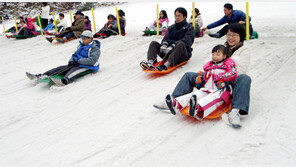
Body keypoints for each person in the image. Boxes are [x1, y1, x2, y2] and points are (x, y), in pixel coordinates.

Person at [154, 23, 250, 128]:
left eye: (234, 35)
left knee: (244, 78)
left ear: (241, 36)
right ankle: (174, 101)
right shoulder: (223, 47)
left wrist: (220, 76)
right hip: (211, 80)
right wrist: (205, 74)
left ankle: (235, 111)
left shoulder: (244, 50)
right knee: (189, 75)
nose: (230, 38)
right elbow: (210, 64)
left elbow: (240, 71)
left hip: (227, 83)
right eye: (228, 35)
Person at [166, 45, 236, 120]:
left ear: (224, 56)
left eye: (218, 54)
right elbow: (204, 77)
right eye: (213, 54)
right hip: (206, 88)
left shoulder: (227, 64)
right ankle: (176, 104)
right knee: (195, 95)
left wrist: (220, 76)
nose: (215, 56)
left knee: (211, 99)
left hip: (220, 91)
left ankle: (197, 108)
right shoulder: (209, 66)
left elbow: (233, 74)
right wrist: (202, 77)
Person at [26, 30, 101, 87]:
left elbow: (92, 60)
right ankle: (41, 76)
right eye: (82, 38)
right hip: (78, 63)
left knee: (73, 71)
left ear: (90, 38)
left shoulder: (95, 48)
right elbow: (75, 54)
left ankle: (64, 81)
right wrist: (72, 61)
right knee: (61, 68)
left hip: (89, 66)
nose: (83, 40)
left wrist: (78, 61)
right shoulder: (82, 45)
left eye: (84, 38)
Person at [140, 7, 195, 71]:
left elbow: (188, 40)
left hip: (182, 54)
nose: (177, 18)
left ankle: (166, 65)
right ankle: (150, 62)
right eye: (176, 16)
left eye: (179, 16)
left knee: (180, 44)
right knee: (153, 43)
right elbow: (166, 37)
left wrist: (173, 45)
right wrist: (164, 45)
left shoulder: (189, 27)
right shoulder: (172, 27)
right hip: (169, 52)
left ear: (184, 16)